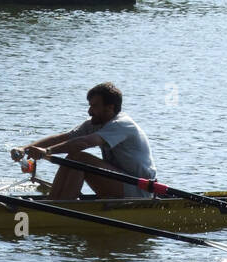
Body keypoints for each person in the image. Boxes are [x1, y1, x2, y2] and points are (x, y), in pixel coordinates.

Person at [14, 83, 156, 201]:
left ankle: (62, 208)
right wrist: (25, 149)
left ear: (110, 107)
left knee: (79, 157)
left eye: (94, 106)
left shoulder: (122, 124)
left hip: (139, 189)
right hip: (120, 182)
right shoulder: (95, 123)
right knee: (73, 158)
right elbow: (63, 138)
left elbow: (85, 142)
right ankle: (54, 202)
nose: (89, 111)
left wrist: (48, 152)